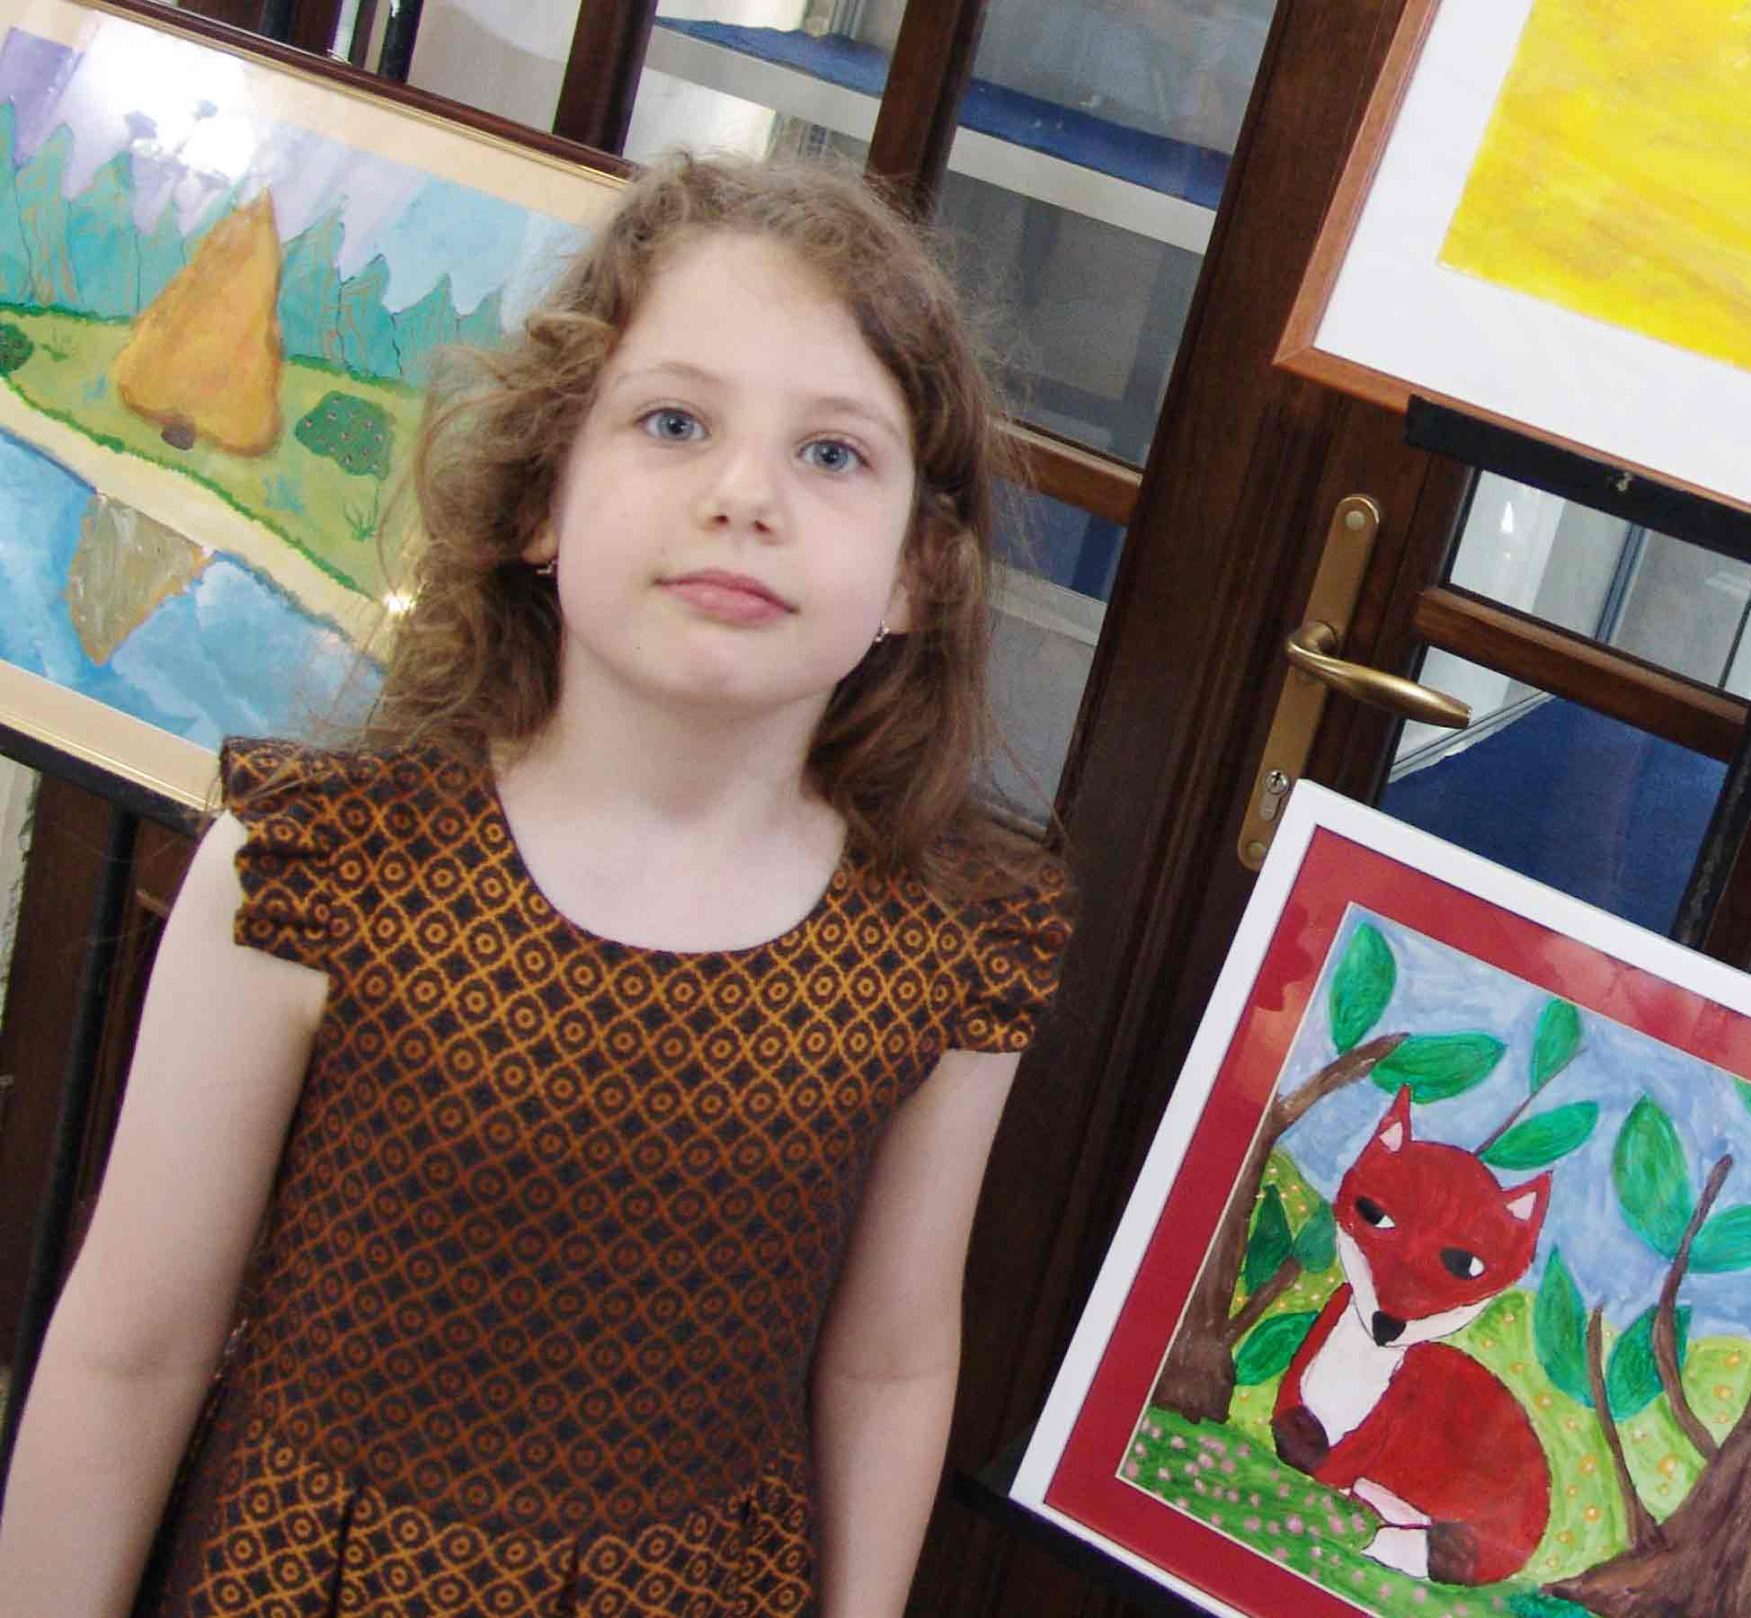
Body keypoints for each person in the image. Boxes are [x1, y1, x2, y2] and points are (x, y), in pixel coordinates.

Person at [0, 154, 1071, 1616]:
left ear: (915, 576)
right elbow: (134, 1344)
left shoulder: (954, 943)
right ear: (541, 503)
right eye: (674, 422)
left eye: (834, 454)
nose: (745, 495)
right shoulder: (317, 864)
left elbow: (886, 1361)